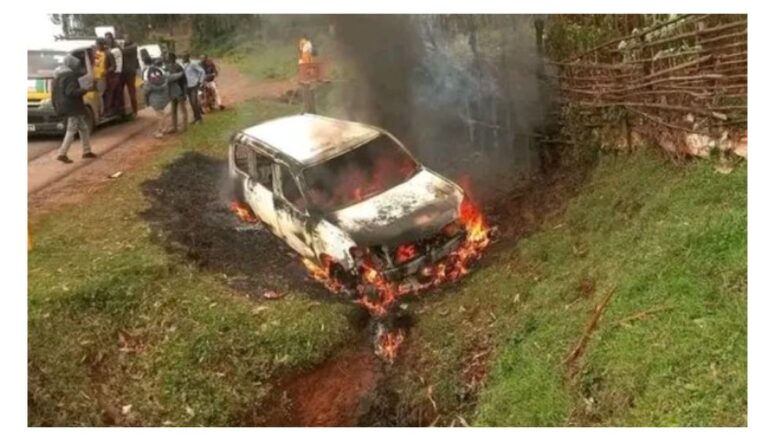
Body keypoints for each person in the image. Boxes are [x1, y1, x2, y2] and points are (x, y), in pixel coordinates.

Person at [52, 55, 97, 163]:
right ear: (71, 64)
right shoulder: (70, 76)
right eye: (75, 64)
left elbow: (55, 94)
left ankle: (86, 151)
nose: (77, 67)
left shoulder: (58, 75)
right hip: (72, 107)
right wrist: (86, 89)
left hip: (65, 105)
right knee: (71, 130)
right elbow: (71, 92)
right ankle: (62, 153)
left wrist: (56, 106)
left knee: (84, 128)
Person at [143, 62, 184, 138]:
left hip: (155, 102)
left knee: (161, 117)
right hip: (164, 101)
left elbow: (145, 93)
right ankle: (164, 128)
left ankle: (160, 131)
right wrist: (182, 73)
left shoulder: (149, 83)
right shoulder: (165, 78)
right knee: (163, 115)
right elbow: (174, 76)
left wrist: (146, 102)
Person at [164, 53, 188, 133]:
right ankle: (175, 127)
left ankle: (184, 127)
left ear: (172, 58)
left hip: (179, 91)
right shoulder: (167, 67)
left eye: (168, 58)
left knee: (182, 109)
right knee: (174, 110)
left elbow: (184, 81)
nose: (167, 59)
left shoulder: (178, 67)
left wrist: (185, 93)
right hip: (173, 92)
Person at [93, 37, 114, 115]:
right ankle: (101, 111)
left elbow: (113, 66)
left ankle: (104, 111)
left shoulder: (108, 53)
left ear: (102, 45)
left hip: (103, 77)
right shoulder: (96, 53)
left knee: (102, 94)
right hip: (95, 77)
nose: (96, 46)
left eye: (97, 44)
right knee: (97, 95)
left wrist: (106, 72)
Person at [182, 53, 205, 124]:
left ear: (188, 57)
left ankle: (199, 118)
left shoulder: (193, 64)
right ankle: (196, 118)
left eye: (185, 57)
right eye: (183, 57)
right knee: (192, 103)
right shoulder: (184, 65)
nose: (183, 58)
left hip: (194, 85)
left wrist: (200, 81)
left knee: (194, 102)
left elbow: (202, 71)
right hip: (188, 86)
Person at [105, 32, 124, 116]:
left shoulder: (114, 50)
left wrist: (106, 71)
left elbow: (113, 66)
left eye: (108, 38)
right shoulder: (113, 49)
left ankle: (113, 110)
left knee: (113, 92)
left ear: (111, 39)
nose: (107, 40)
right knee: (115, 92)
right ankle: (117, 110)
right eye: (106, 39)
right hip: (116, 72)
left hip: (116, 73)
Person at [121, 33, 140, 114]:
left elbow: (123, 51)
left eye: (127, 38)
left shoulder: (133, 46)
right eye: (125, 38)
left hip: (130, 72)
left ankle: (135, 111)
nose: (126, 39)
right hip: (123, 72)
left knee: (132, 92)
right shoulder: (123, 45)